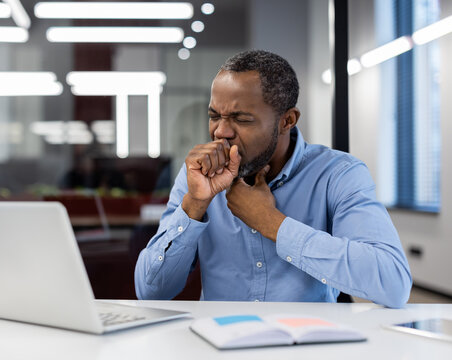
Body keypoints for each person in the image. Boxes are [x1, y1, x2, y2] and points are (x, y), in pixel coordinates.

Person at [134, 50, 412, 308]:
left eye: (241, 119)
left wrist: (272, 223)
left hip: (306, 345)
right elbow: (151, 292)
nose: (221, 132)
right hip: (220, 345)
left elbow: (393, 283)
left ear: (287, 121)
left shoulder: (338, 174)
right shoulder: (198, 176)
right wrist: (194, 205)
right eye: (214, 116)